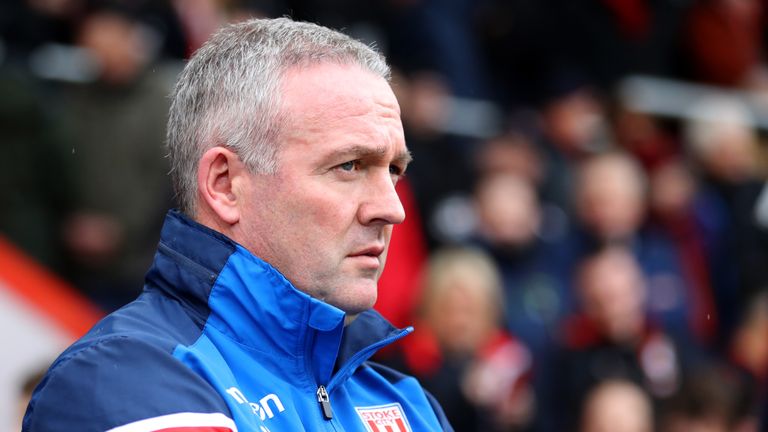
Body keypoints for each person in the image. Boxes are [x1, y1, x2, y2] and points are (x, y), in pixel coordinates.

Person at [22, 17, 453, 432]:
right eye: (349, 165)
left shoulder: (408, 404)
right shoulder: (125, 381)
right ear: (225, 184)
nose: (392, 208)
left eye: (394, 170)